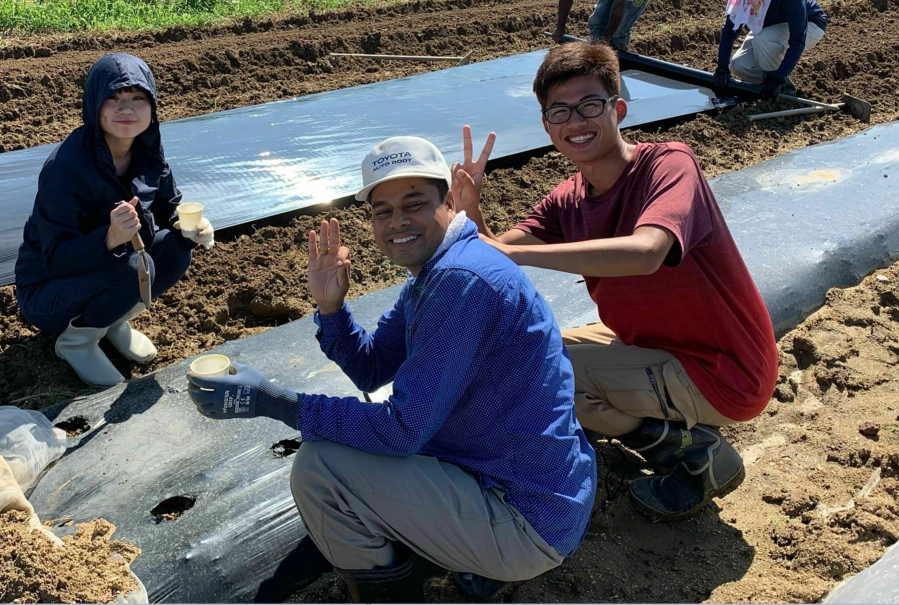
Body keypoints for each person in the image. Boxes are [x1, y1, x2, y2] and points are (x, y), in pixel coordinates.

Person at [187, 137, 595, 603]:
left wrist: (271, 401)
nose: (397, 222)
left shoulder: (462, 282)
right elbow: (372, 368)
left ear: (448, 201)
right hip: (527, 483)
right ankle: (458, 553)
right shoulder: (438, 271)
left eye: (414, 203)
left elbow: (403, 430)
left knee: (321, 468)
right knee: (364, 427)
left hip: (524, 516)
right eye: (382, 211)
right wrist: (331, 307)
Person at [451, 41, 778, 522]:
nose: (574, 122)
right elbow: (498, 253)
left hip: (722, 371)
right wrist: (470, 210)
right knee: (516, 356)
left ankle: (695, 453)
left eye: (589, 106)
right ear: (546, 126)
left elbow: (646, 252)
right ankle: (646, 424)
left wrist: (510, 249)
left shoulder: (668, 164)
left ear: (618, 109)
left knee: (542, 376)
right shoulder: (568, 198)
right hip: (646, 344)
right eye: (559, 111)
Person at [15, 53, 215, 387]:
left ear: (152, 107)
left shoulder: (148, 151)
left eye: (138, 98)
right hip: (48, 292)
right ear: (94, 105)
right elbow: (55, 257)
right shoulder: (65, 169)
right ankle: (76, 342)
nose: (127, 109)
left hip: (110, 271)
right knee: (136, 267)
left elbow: (168, 207)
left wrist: (189, 226)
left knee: (177, 249)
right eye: (113, 98)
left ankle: (112, 321)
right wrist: (108, 238)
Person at [714, 0, 828, 99]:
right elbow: (730, 30)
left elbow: (798, 40)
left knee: (762, 40)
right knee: (739, 65)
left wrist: (778, 78)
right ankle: (768, 84)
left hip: (810, 26)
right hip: (768, 29)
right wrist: (722, 66)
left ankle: (783, 87)